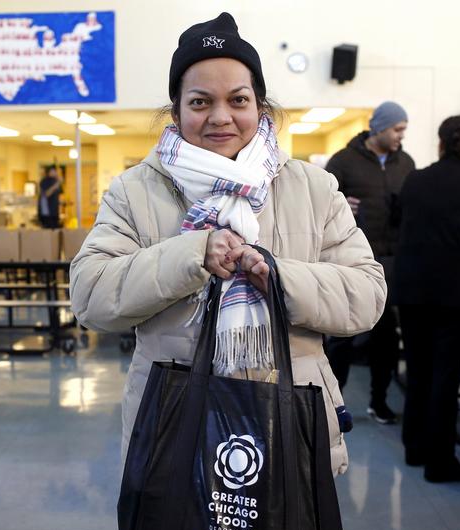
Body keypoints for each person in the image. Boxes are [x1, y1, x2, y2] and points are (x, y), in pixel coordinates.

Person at [70, 12, 387, 477]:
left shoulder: (313, 188)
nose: (221, 117)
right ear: (176, 110)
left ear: (260, 106)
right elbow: (91, 296)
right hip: (174, 428)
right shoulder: (134, 192)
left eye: (238, 99)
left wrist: (280, 278)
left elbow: (366, 296)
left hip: (288, 427)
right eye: (200, 101)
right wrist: (191, 255)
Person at [393, 116, 460, 482]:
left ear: (440, 142)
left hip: (415, 289)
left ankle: (415, 447)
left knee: (418, 370)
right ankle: (440, 461)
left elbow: (398, 222)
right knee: (446, 376)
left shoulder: (416, 181)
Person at [324, 101, 415, 424]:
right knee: (342, 338)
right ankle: (332, 405)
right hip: (351, 264)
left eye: (403, 130)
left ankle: (379, 401)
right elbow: (318, 205)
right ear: (379, 128)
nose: (401, 136)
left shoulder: (405, 163)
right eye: (397, 129)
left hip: (390, 264)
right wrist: (339, 206)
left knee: (386, 340)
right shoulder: (344, 161)